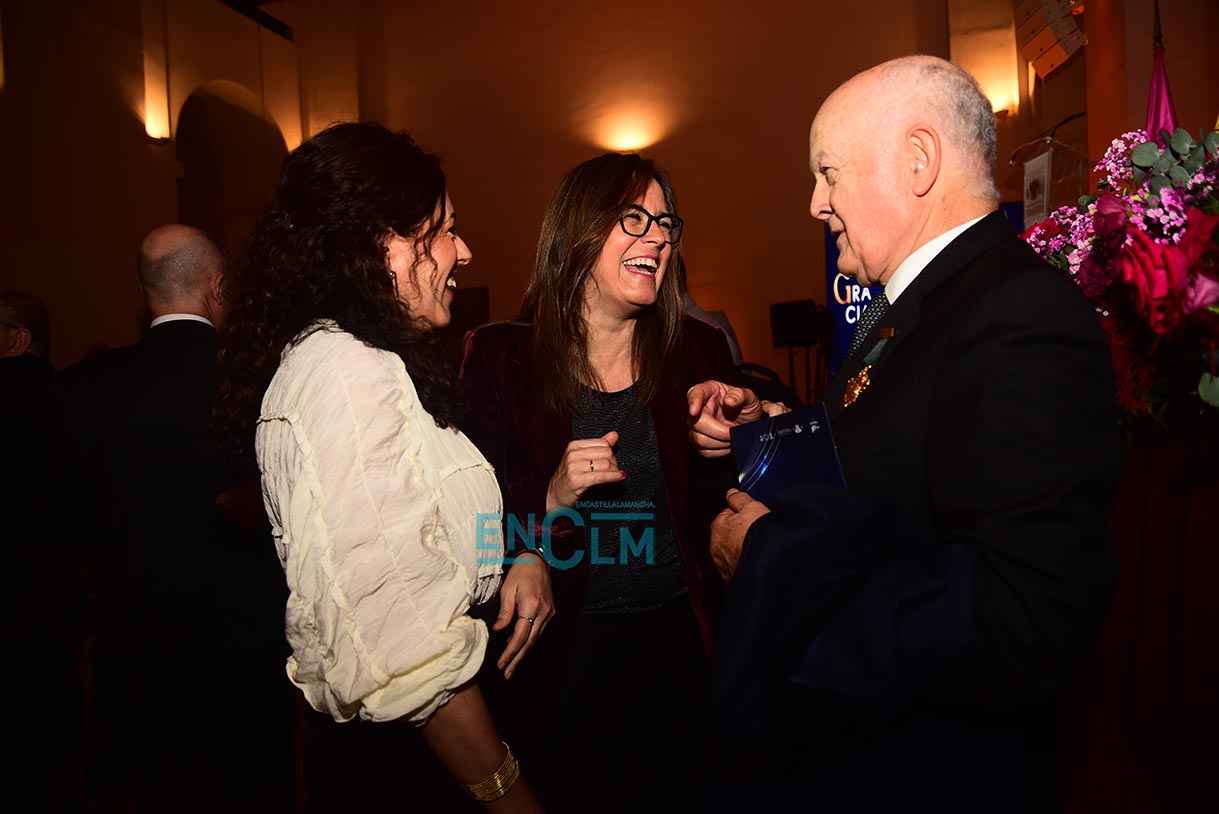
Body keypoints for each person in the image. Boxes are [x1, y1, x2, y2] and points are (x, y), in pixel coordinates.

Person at [689, 56, 1124, 812]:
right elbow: (883, 459)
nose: (815, 204)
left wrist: (769, 557)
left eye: (827, 173)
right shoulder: (924, 305)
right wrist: (769, 432)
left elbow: (1024, 618)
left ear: (918, 160)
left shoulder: (1015, 311)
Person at [213, 122, 542, 812]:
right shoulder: (346, 371)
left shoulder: (357, 360)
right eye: (445, 229)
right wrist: (508, 795)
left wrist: (528, 549)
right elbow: (408, 649)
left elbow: (427, 539)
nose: (463, 251)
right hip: (420, 759)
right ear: (380, 242)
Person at [460, 153, 739, 813]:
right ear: (579, 231)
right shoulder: (501, 360)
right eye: (634, 218)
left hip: (682, 659)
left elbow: (724, 508)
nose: (658, 237)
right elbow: (469, 524)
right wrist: (542, 517)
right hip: (564, 663)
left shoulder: (698, 351)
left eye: (665, 222)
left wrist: (742, 438)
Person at [56, 226, 294, 810]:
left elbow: (70, 520)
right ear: (220, 287)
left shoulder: (82, 387)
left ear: (146, 292)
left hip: (133, 655)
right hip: (243, 653)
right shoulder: (257, 384)